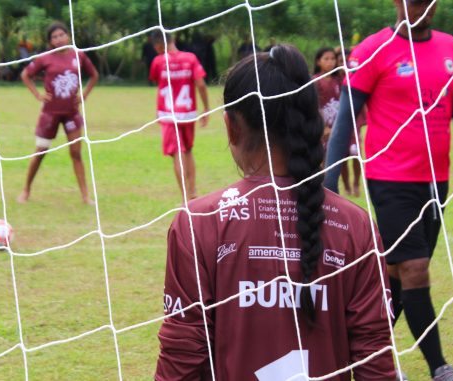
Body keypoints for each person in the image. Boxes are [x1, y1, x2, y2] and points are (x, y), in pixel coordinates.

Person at [155, 44, 396, 381]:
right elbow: (376, 359)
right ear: (311, 123)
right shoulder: (356, 225)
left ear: (231, 127)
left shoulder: (198, 222)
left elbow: (182, 357)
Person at [324, 1, 453, 379]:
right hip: (389, 179)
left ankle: (351, 350)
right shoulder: (372, 50)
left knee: (395, 275)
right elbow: (345, 121)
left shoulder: (451, 49)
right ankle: (439, 366)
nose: (418, 7)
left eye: (425, 1)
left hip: (435, 182)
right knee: (415, 269)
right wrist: (329, 182)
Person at [17, 21, 99, 204]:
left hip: (71, 113)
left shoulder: (79, 55)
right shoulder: (45, 58)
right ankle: (26, 190)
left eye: (62, 35)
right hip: (50, 113)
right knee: (40, 152)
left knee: (77, 153)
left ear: (68, 36)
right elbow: (25, 75)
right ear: (50, 41)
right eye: (55, 37)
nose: (59, 39)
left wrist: (84, 94)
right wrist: (38, 94)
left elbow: (94, 75)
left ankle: (86, 196)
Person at [149, 30, 210, 201]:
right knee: (188, 150)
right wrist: (206, 108)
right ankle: (193, 190)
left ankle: (185, 197)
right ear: (173, 39)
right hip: (188, 112)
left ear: (158, 45)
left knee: (177, 152)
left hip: (169, 115)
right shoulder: (190, 58)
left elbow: (158, 83)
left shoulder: (158, 61)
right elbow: (201, 84)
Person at [336, 47, 364, 198]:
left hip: (355, 123)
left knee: (355, 153)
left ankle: (356, 183)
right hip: (337, 123)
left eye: (347, 61)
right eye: (341, 61)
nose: (344, 65)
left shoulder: (356, 78)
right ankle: (346, 185)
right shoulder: (333, 80)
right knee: (343, 156)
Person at [312, 47, 341, 148]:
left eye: (333, 59)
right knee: (325, 155)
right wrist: (323, 127)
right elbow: (315, 105)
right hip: (323, 125)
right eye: (326, 59)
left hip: (337, 124)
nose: (330, 62)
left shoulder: (339, 80)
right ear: (318, 62)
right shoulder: (315, 80)